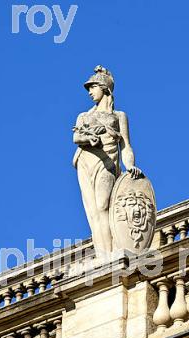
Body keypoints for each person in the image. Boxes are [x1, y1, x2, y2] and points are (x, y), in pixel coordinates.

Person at [73, 65, 143, 257]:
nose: (89, 92)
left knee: (104, 205)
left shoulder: (119, 116)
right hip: (85, 160)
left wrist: (130, 166)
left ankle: (111, 251)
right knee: (92, 210)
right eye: (88, 88)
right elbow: (77, 138)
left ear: (105, 88)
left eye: (92, 87)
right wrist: (90, 139)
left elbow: (126, 146)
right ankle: (102, 253)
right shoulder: (84, 116)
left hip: (107, 160)